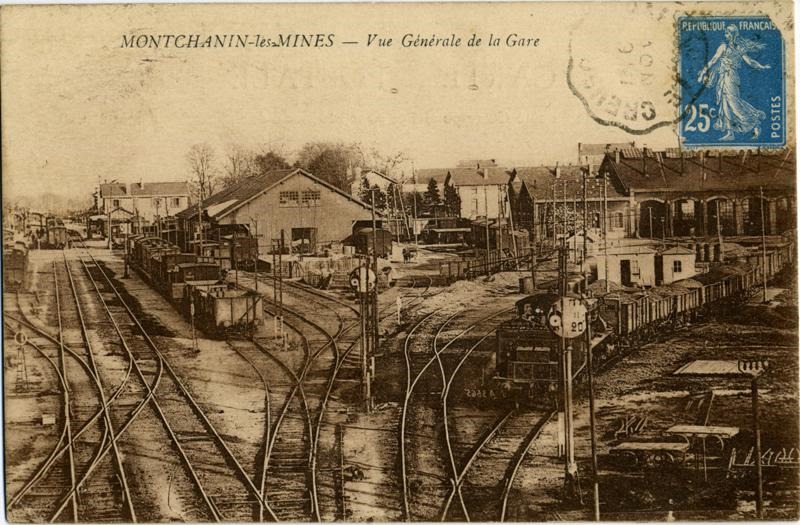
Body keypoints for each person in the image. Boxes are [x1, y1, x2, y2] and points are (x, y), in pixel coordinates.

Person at [697, 25, 771, 141]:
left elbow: (750, 61)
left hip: (731, 77)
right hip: (723, 77)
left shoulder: (738, 48)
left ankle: (754, 122)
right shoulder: (723, 46)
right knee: (724, 103)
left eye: (727, 33)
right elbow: (713, 60)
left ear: (732, 35)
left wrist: (762, 66)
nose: (725, 35)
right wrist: (703, 72)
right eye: (725, 33)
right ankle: (730, 133)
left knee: (733, 102)